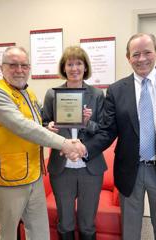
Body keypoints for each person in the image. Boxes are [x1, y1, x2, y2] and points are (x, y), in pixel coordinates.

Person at [0, 46, 86, 240]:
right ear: (1, 68)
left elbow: (35, 127)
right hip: (8, 179)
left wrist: (47, 128)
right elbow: (23, 127)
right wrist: (66, 144)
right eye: (13, 65)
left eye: (24, 65)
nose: (19, 70)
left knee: (39, 232)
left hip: (34, 176)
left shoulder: (29, 94)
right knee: (8, 234)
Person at [85, 33, 156, 240]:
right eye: (136, 54)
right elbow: (107, 130)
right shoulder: (116, 90)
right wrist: (84, 149)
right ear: (128, 58)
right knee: (130, 231)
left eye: (147, 52)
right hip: (129, 170)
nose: (142, 59)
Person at [42, 46, 106, 240]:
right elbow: (44, 123)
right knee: (65, 223)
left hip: (90, 168)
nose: (74, 68)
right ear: (64, 67)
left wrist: (87, 123)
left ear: (85, 67)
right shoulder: (52, 94)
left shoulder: (96, 94)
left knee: (87, 224)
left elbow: (104, 129)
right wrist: (49, 126)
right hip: (62, 166)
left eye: (78, 63)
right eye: (70, 64)